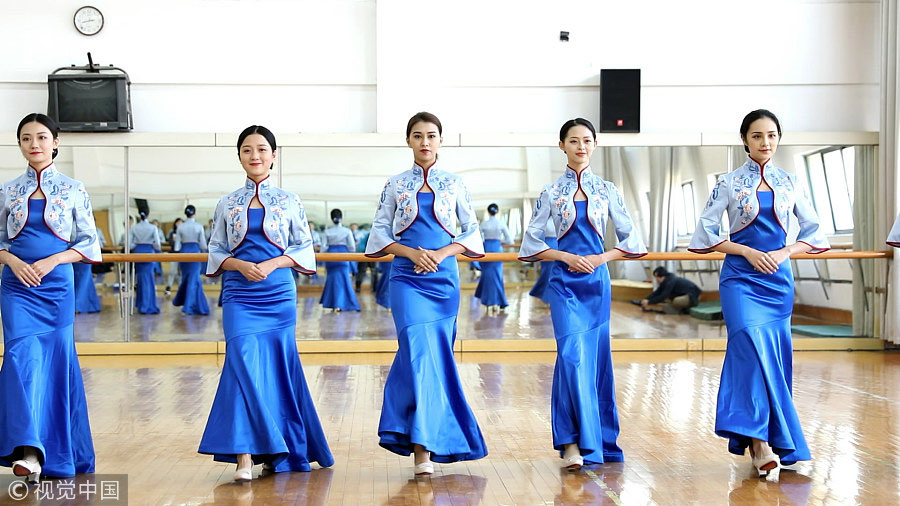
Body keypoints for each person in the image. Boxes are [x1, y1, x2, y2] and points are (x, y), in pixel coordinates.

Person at [689, 109, 829, 477]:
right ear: (745, 140)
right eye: (757, 136)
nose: (765, 142)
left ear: (778, 139)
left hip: (778, 281)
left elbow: (813, 232)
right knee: (749, 347)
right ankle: (759, 444)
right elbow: (705, 231)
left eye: (771, 135)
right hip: (739, 277)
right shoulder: (728, 183)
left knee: (774, 359)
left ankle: (772, 438)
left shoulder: (791, 182)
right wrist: (747, 251)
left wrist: (783, 253)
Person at [199, 125, 332, 482]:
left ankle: (278, 449)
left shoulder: (290, 201)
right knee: (240, 365)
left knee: (277, 370)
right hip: (240, 294)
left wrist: (273, 263)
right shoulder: (227, 203)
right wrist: (240, 265)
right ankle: (244, 455)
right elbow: (216, 249)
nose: (254, 155)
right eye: (246, 149)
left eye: (261, 149)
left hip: (278, 294)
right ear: (239, 156)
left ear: (274, 155)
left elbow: (303, 247)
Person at [518, 118, 647, 471]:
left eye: (587, 141)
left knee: (595, 360)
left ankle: (581, 441)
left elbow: (632, 242)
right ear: (562, 145)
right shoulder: (549, 193)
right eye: (573, 141)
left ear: (594, 145)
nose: (581, 146)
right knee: (572, 355)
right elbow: (531, 243)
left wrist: (600, 258)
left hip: (596, 283)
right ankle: (574, 441)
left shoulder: (607, 190)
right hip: (563, 282)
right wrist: (563, 255)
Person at [365, 112, 487, 476]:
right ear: (408, 141)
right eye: (417, 136)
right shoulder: (395, 184)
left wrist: (441, 254)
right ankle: (421, 448)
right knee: (417, 349)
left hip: (444, 279)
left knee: (437, 356)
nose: (425, 142)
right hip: (406, 277)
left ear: (440, 140)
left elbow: (471, 231)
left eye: (431, 136)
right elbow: (380, 232)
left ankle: (428, 437)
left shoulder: (455, 184)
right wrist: (412, 253)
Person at [0, 113, 102, 482]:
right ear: (21, 145)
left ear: (56, 142)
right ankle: (29, 450)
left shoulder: (74, 189)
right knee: (19, 358)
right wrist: (12, 260)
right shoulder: (8, 190)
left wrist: (54, 259)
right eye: (27, 138)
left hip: (56, 285)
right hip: (17, 288)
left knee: (56, 365)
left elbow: (90, 242)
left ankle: (50, 453)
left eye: (42, 137)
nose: (35, 144)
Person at [474, 203, 514, 315]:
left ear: (488, 211)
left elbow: (477, 238)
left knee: (487, 275)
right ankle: (498, 301)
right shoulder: (501, 223)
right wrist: (501, 242)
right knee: (497, 275)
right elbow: (510, 240)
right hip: (497, 248)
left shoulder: (484, 224)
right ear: (497, 211)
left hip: (486, 249)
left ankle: (488, 301)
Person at [319, 208, 360, 312]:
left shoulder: (327, 231)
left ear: (331, 218)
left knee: (332, 280)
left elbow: (323, 247)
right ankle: (342, 304)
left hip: (331, 255)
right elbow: (352, 247)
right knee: (344, 280)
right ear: (342, 218)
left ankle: (333, 303)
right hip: (343, 255)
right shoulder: (347, 231)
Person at [172, 205, 210, 315]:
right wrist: (204, 251)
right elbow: (203, 244)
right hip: (195, 252)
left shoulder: (180, 227)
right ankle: (191, 306)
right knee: (194, 278)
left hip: (183, 253)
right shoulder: (198, 226)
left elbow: (177, 246)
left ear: (185, 214)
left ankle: (189, 304)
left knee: (186, 278)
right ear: (194, 213)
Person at [131, 211, 162, 314]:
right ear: (148, 215)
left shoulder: (134, 228)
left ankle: (141, 304)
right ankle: (148, 304)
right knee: (149, 279)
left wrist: (137, 244)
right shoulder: (153, 228)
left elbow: (129, 245)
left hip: (138, 252)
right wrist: (151, 245)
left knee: (140, 279)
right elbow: (157, 245)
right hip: (149, 252)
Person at [528, 217, 557, 303]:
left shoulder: (543, 222)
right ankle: (548, 296)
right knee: (552, 273)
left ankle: (546, 295)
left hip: (545, 246)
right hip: (555, 246)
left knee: (547, 272)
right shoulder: (559, 220)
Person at [164, 217, 183, 294]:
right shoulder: (172, 232)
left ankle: (181, 288)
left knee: (181, 272)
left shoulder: (184, 232)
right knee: (172, 272)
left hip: (182, 254)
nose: (179, 224)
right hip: (174, 254)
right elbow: (171, 242)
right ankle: (168, 287)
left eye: (181, 223)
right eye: (178, 222)